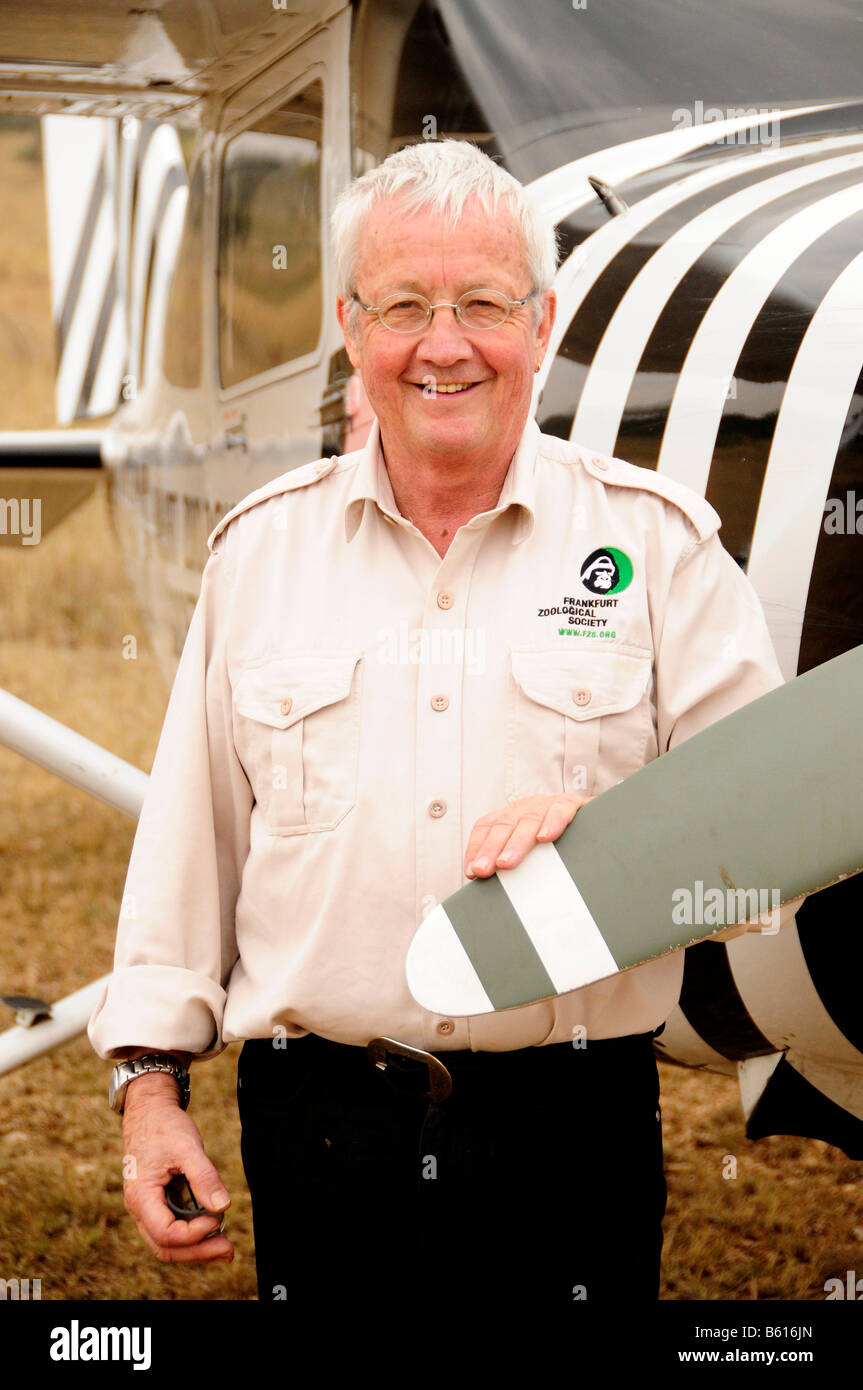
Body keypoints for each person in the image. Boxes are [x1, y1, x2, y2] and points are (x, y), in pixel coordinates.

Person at [88, 139, 793, 1311]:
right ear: (349, 326)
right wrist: (150, 1092)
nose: (444, 343)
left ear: (541, 320)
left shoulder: (659, 543)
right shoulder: (257, 553)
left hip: (570, 1126)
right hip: (316, 1132)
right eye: (404, 305)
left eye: (480, 303)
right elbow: (187, 852)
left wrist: (617, 834)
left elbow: (773, 824)